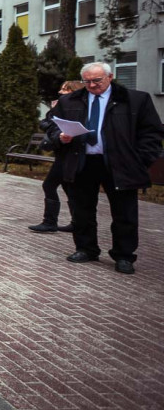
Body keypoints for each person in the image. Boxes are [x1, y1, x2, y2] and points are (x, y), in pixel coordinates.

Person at [45, 62, 164, 275]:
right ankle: (86, 248)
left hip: (119, 163)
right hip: (82, 161)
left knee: (124, 212)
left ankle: (124, 256)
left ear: (110, 77)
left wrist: (140, 160)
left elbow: (152, 134)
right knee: (82, 209)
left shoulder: (135, 100)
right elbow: (52, 127)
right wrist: (60, 137)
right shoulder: (70, 100)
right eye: (87, 81)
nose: (92, 85)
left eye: (97, 80)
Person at [28, 80, 84, 233]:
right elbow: (45, 123)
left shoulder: (79, 109)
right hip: (62, 152)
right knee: (68, 188)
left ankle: (50, 222)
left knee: (50, 185)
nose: (60, 92)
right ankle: (76, 222)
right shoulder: (59, 107)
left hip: (70, 154)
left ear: (74, 92)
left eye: (65, 89)